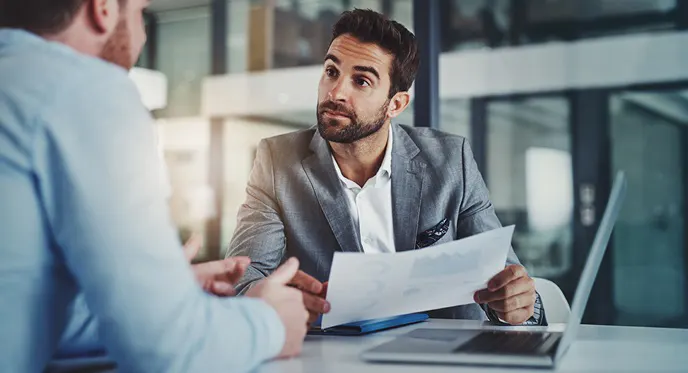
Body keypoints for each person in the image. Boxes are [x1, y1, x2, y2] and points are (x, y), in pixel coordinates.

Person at [0, 0, 308, 372]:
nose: (143, 35)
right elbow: (170, 350)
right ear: (104, 9)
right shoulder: (85, 87)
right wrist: (269, 321)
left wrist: (156, 296)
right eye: (141, 13)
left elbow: (21, 316)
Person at [227, 9, 546, 327]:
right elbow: (243, 276)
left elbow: (507, 280)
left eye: (361, 81)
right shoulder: (277, 160)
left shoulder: (451, 160)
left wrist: (517, 303)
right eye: (331, 71)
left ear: (396, 104)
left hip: (443, 353)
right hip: (334, 355)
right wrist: (272, 297)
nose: (336, 92)